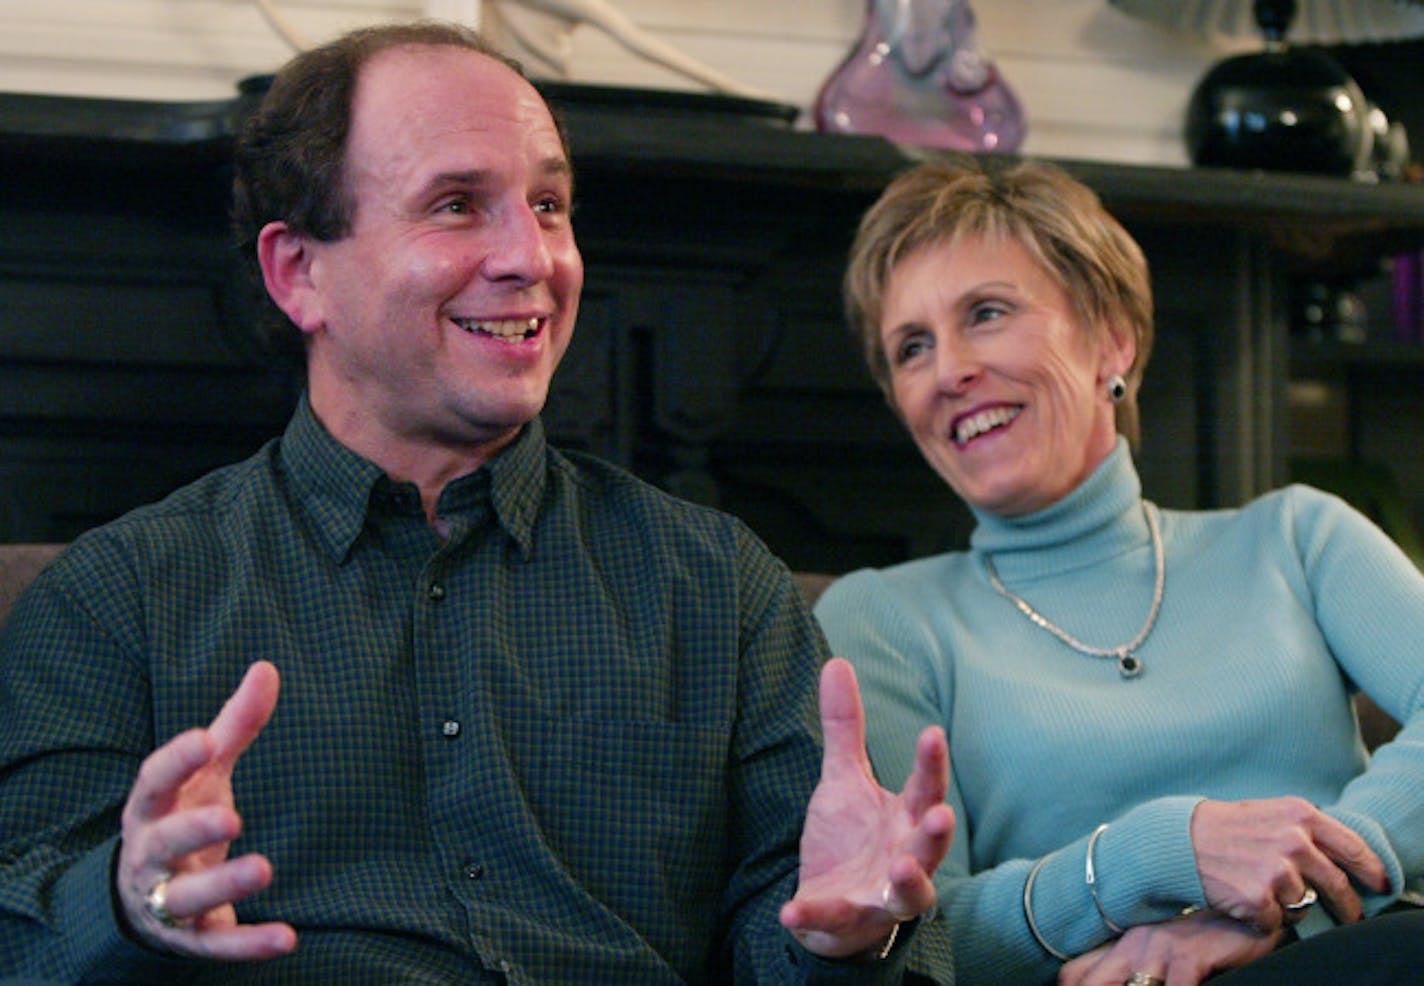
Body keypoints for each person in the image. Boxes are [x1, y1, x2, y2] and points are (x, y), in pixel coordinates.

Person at [0, 22, 958, 983]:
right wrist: (127, 905)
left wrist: (845, 939)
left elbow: (838, 928)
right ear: (300, 272)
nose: (530, 257)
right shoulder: (118, 598)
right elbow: (18, 935)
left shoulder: (717, 587)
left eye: (548, 204)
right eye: (457, 205)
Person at [813, 155, 1424, 986]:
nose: (949, 371)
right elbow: (918, 934)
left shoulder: (1295, 536)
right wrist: (1149, 857)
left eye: (986, 313)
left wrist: (1291, 908)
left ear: (1113, 340)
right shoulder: (880, 619)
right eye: (911, 347)